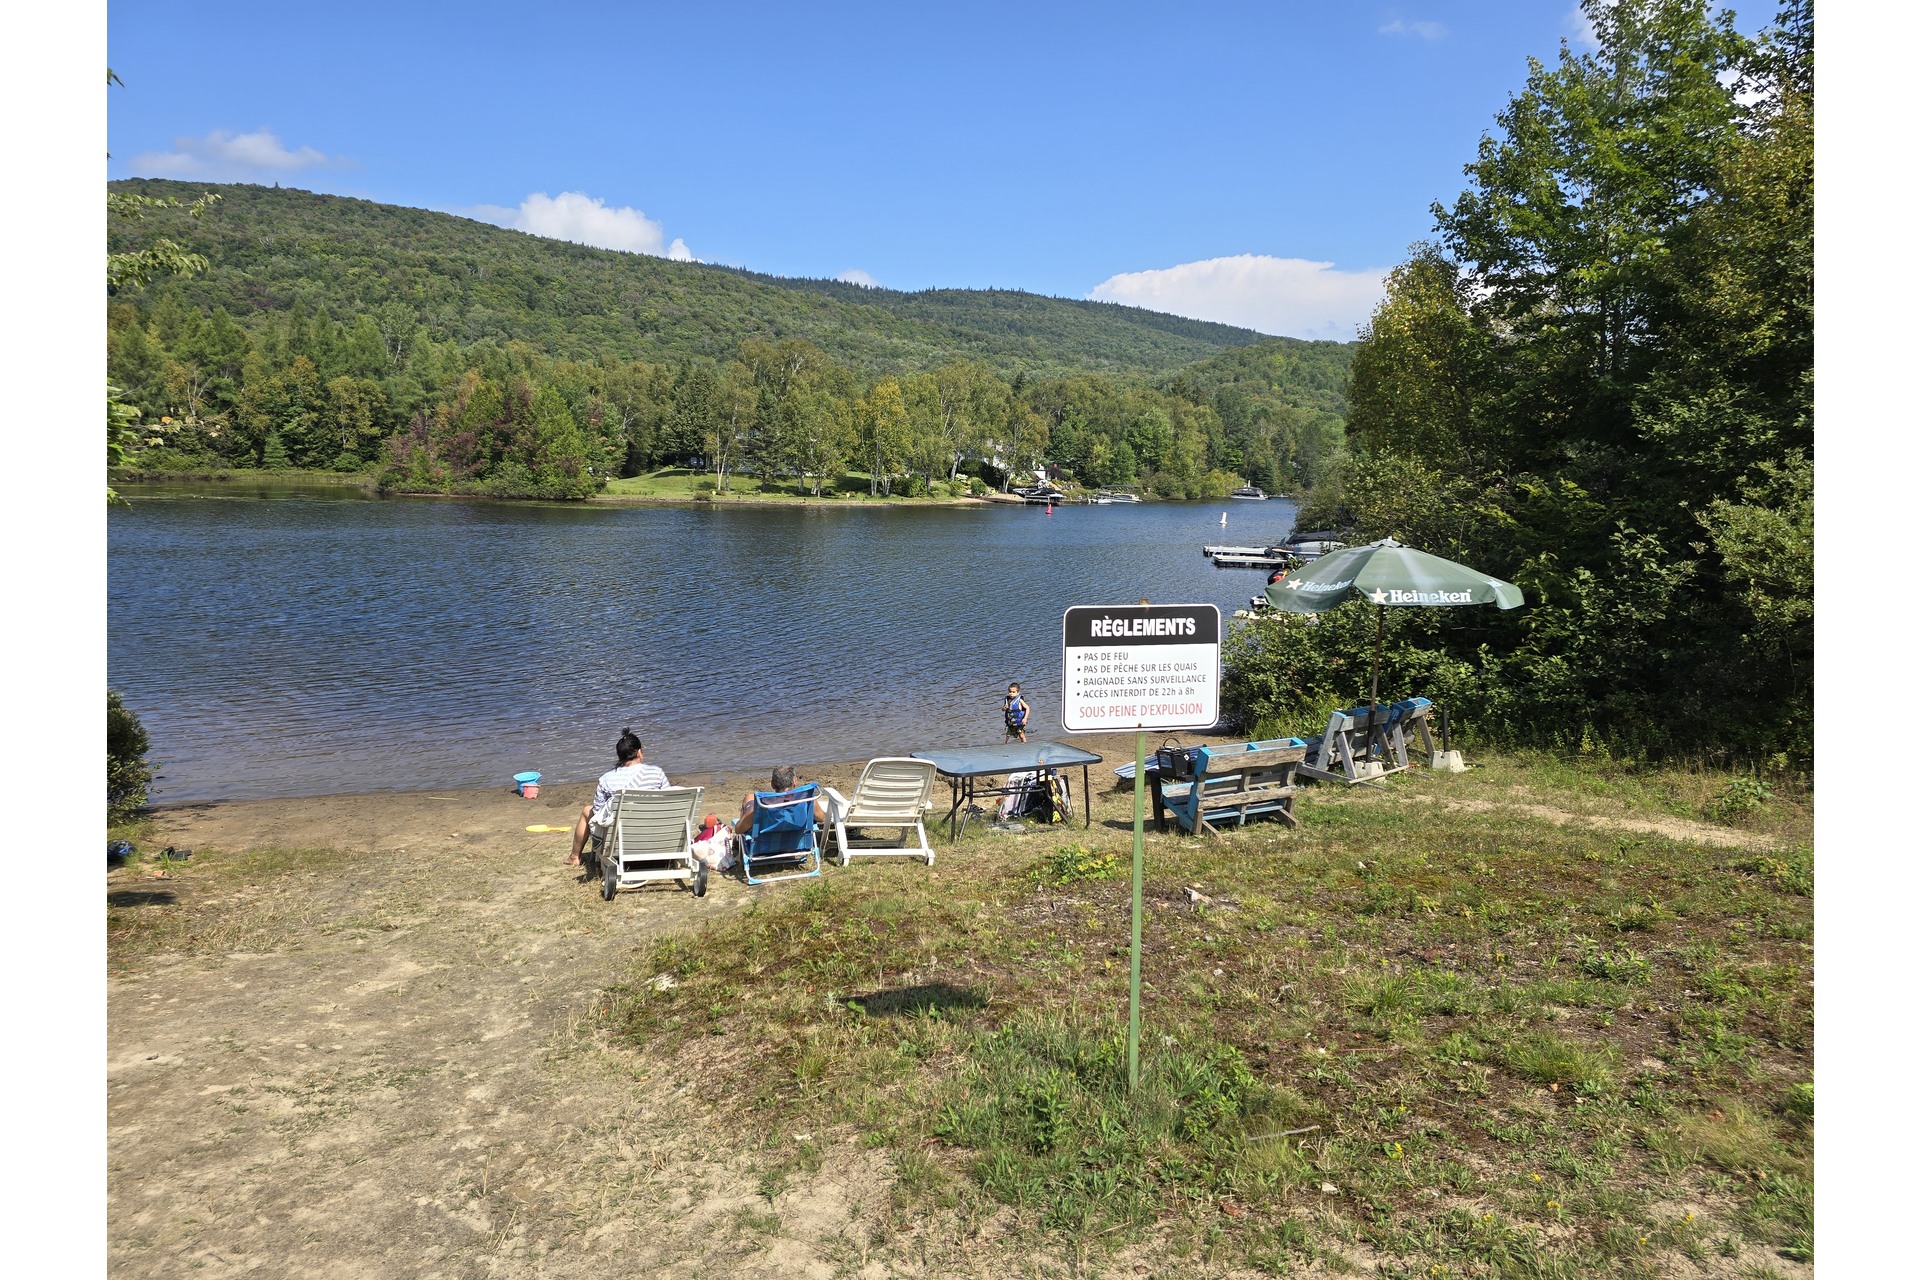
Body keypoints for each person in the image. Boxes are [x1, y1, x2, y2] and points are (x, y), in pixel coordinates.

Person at [568, 728, 669, 866]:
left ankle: (574, 857)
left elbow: (598, 814)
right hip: (653, 833)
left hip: (621, 837)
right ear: (639, 752)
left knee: (588, 810)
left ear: (619, 755)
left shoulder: (607, 779)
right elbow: (667, 802)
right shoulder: (656, 773)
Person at [739, 764, 830, 827]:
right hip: (796, 845)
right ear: (794, 782)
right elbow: (822, 818)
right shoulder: (807, 801)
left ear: (772, 784)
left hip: (765, 849)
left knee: (749, 797)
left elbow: (739, 829)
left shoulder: (761, 806)